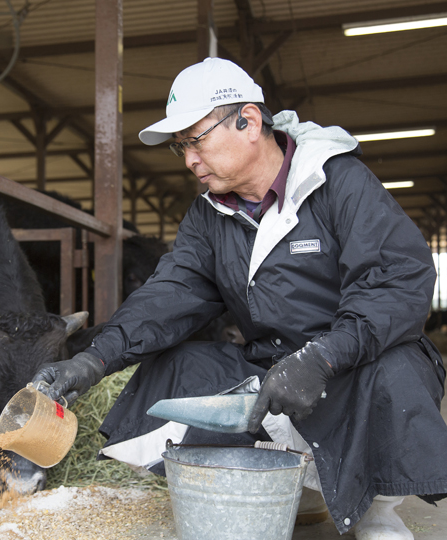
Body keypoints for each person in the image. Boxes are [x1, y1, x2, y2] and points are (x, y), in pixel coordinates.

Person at [32, 57, 447, 539]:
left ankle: (377, 513)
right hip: (271, 369)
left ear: (248, 121)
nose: (188, 159)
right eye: (180, 147)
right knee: (178, 367)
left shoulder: (336, 181)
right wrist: (93, 359)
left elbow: (397, 279)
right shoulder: (209, 216)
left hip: (349, 364)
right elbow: (170, 292)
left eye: (195, 140)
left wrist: (324, 357)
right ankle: (287, 486)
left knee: (396, 368)